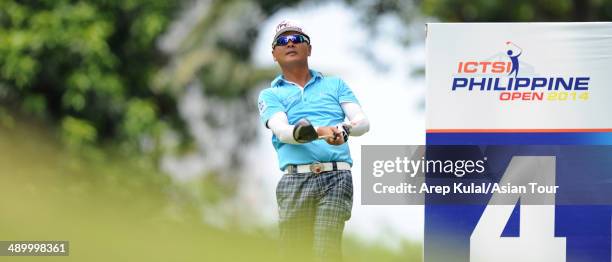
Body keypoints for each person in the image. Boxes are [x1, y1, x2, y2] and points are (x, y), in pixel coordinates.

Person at [257, 20, 370, 261]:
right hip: (294, 180)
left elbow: (361, 122)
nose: (290, 44)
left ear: (309, 49)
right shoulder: (270, 94)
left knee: (325, 252)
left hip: (336, 177)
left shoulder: (335, 84)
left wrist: (344, 131)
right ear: (274, 54)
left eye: (297, 39)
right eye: (282, 41)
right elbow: (284, 132)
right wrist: (322, 131)